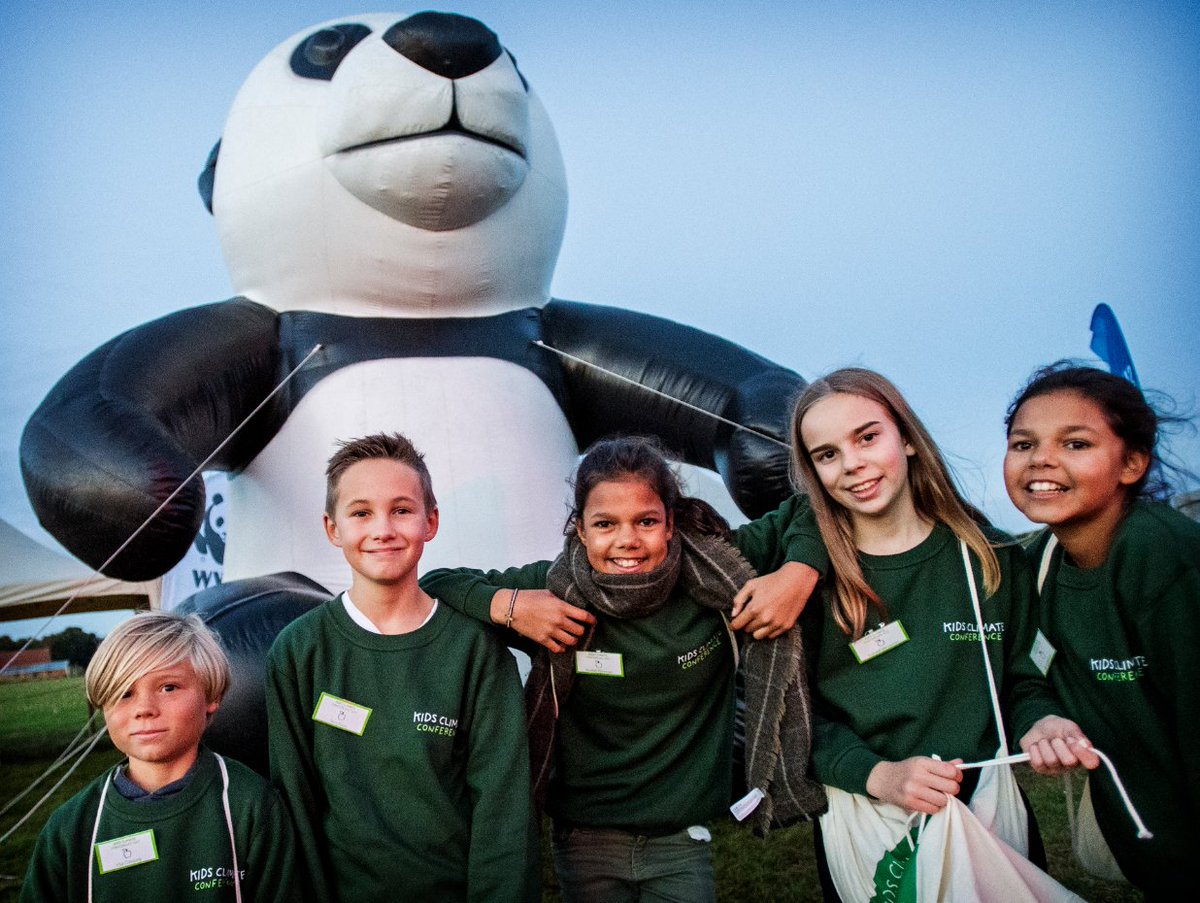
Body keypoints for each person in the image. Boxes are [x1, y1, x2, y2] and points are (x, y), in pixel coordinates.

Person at [420, 435, 828, 903]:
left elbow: (813, 508)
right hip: (585, 839)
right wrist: (510, 605)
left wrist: (800, 573)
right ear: (580, 529)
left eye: (647, 521)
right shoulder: (553, 590)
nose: (627, 540)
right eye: (605, 524)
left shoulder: (717, 568)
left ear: (671, 523)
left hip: (680, 839)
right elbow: (437, 585)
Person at [789, 367, 1097, 900]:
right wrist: (877, 774)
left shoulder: (992, 559)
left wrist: (1042, 721)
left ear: (906, 437)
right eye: (827, 454)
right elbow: (794, 716)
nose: (853, 464)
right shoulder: (807, 582)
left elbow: (1023, 681)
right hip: (864, 816)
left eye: (867, 437)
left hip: (987, 807)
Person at [264, 433, 539, 903]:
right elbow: (294, 803)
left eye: (402, 510)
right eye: (361, 512)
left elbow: (504, 811)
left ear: (430, 522)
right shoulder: (299, 651)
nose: (383, 529)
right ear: (333, 529)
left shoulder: (476, 651)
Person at [1004, 361, 1199, 898]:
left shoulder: (1162, 558)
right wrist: (1042, 717)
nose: (1041, 458)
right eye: (1024, 444)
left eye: (1075, 444)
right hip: (1152, 854)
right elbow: (1027, 675)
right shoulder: (1041, 562)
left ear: (1132, 463)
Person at [20, 611, 296, 903]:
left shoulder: (253, 807)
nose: (144, 708)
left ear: (211, 696)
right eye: (124, 692)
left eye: (168, 687)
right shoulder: (69, 829)